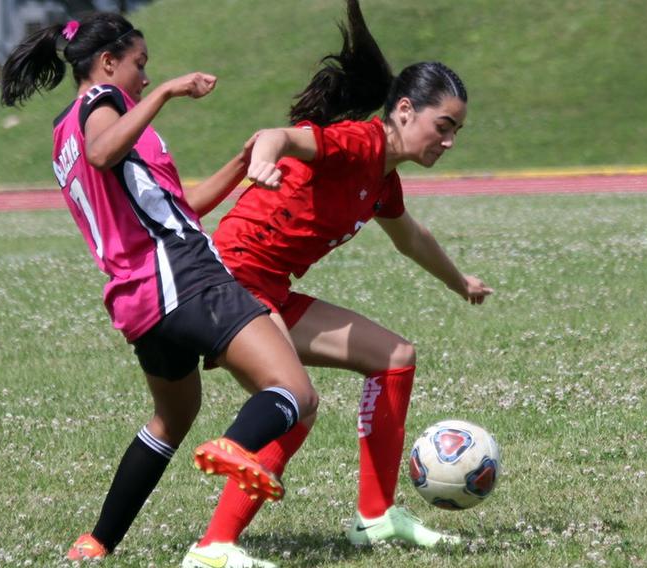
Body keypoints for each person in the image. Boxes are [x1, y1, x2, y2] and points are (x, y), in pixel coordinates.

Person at [0, 12, 318, 563]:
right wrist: (169, 91)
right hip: (183, 275)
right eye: (140, 65)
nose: (145, 78)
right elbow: (104, 151)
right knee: (295, 393)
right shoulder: (104, 103)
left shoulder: (62, 133)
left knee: (172, 417)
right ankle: (237, 446)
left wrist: (242, 165)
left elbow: (179, 206)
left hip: (139, 300)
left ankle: (97, 541)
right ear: (106, 64)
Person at [183, 1, 494, 565]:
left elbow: (411, 238)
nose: (448, 141)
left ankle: (374, 518)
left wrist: (460, 282)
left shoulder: (384, 180)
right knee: (296, 402)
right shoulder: (357, 143)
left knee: (395, 355)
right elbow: (276, 136)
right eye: (442, 126)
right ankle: (214, 548)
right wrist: (263, 162)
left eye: (456, 131)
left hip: (270, 287)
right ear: (404, 110)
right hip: (228, 280)